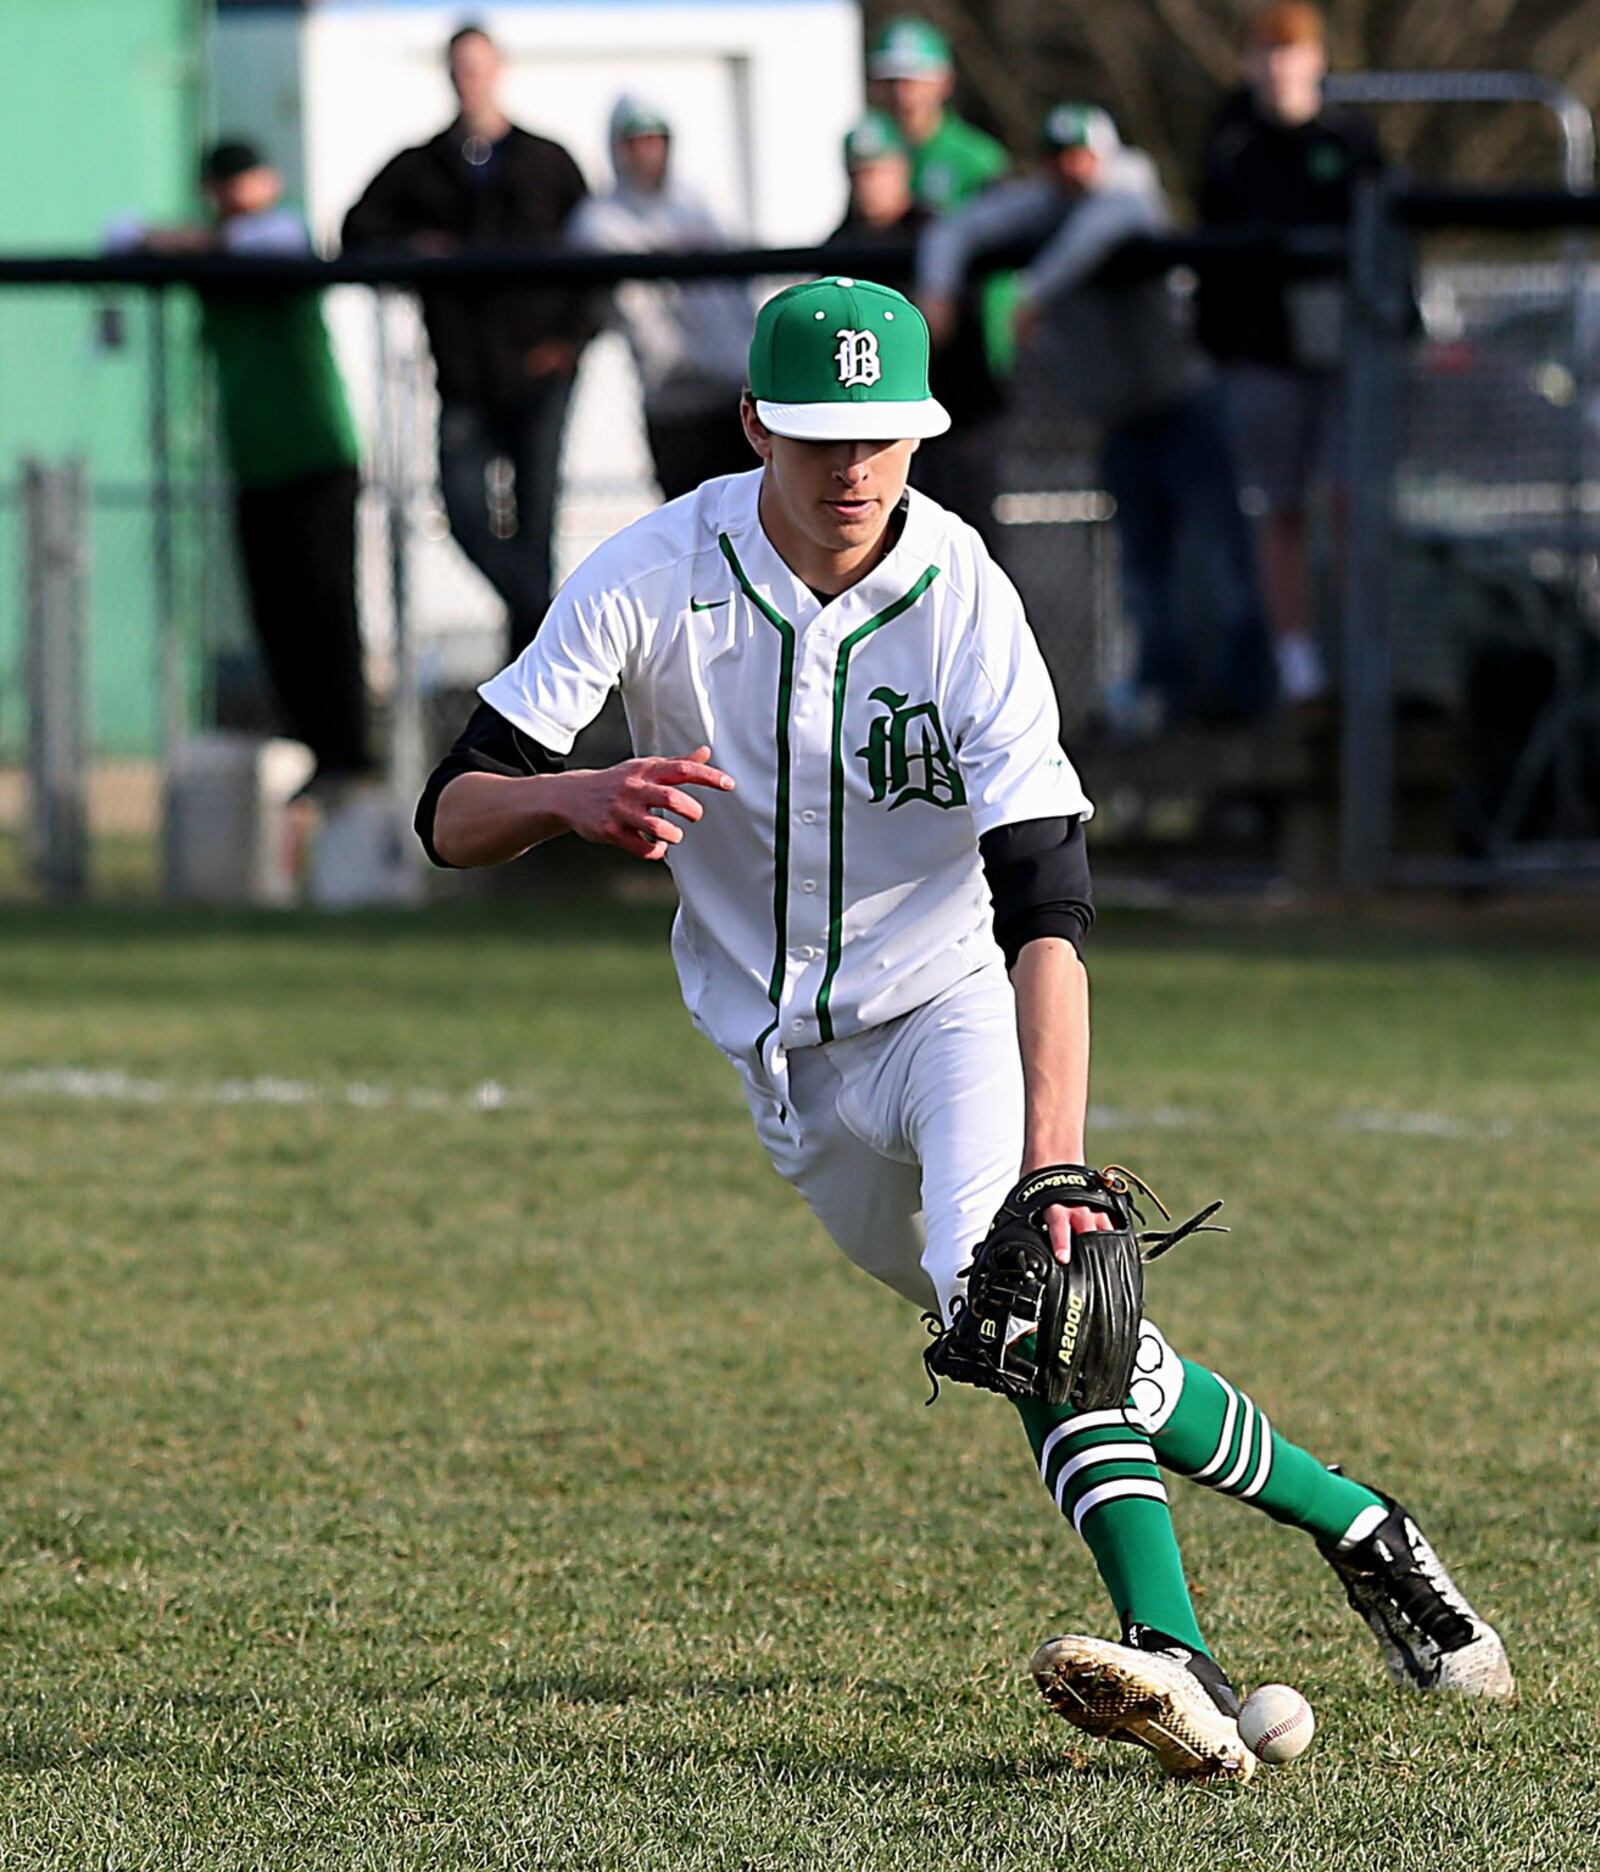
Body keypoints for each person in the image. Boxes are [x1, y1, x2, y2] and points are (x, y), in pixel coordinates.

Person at [413, 276, 1513, 1782]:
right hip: (783, 1068)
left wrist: (1056, 1166)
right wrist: (566, 796)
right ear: (750, 425)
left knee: (1018, 1281)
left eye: (882, 436)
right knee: (1060, 1346)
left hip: (947, 1007)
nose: (851, 469)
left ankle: (1174, 1656)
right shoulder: (654, 569)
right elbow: (450, 813)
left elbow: (1048, 892)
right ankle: (1363, 1524)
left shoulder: (964, 592)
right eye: (814, 436)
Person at [920, 106, 1273, 732]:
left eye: (1082, 154)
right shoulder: (1048, 205)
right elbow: (956, 231)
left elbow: (1103, 228)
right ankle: (1164, 692)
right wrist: (940, 288)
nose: (1071, 168)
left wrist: (1033, 292)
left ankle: (1249, 695)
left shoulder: (1129, 194)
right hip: (1122, 420)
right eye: (1059, 156)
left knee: (1222, 556)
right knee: (1142, 566)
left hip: (1186, 405)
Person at [341, 22, 594, 658]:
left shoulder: (546, 161)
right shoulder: (422, 168)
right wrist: (413, 250)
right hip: (462, 376)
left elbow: (596, 256)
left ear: (499, 70)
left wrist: (570, 343)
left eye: (479, 67)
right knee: (464, 514)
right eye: (459, 68)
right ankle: (547, 627)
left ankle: (533, 697)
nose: (469, 80)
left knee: (535, 527)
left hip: (540, 375)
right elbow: (355, 232)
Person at [142, 141, 372, 793]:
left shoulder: (278, 233)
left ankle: (348, 752)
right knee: (275, 615)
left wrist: (190, 242)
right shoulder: (214, 257)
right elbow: (127, 237)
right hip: (255, 464)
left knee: (325, 608)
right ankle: (312, 745)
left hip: (316, 457)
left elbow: (266, 240)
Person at [1198, 0, 1384, 706]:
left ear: (1317, 60)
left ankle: (1364, 652)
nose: (1277, 67)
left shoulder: (1350, 139)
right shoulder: (1231, 142)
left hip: (1346, 354)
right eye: (1265, 53)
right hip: (1260, 357)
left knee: (1349, 500)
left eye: (1291, 52)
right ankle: (1298, 665)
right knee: (1279, 508)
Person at [824, 111, 1003, 544]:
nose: (869, 182)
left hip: (956, 417)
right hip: (877, 431)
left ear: (903, 170)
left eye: (879, 168)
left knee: (965, 535)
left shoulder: (941, 235)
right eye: (860, 171)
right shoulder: (841, 245)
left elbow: (953, 328)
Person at [569, 96, 754, 501]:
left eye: (656, 140)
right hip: (677, 407)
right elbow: (642, 322)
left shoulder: (696, 206)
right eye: (636, 142)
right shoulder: (601, 224)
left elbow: (739, 296)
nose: (648, 153)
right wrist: (697, 366)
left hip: (737, 399)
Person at [865, 16, 1008, 214]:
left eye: (911, 81)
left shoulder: (978, 160)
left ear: (944, 83)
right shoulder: (866, 154)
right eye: (890, 81)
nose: (899, 93)